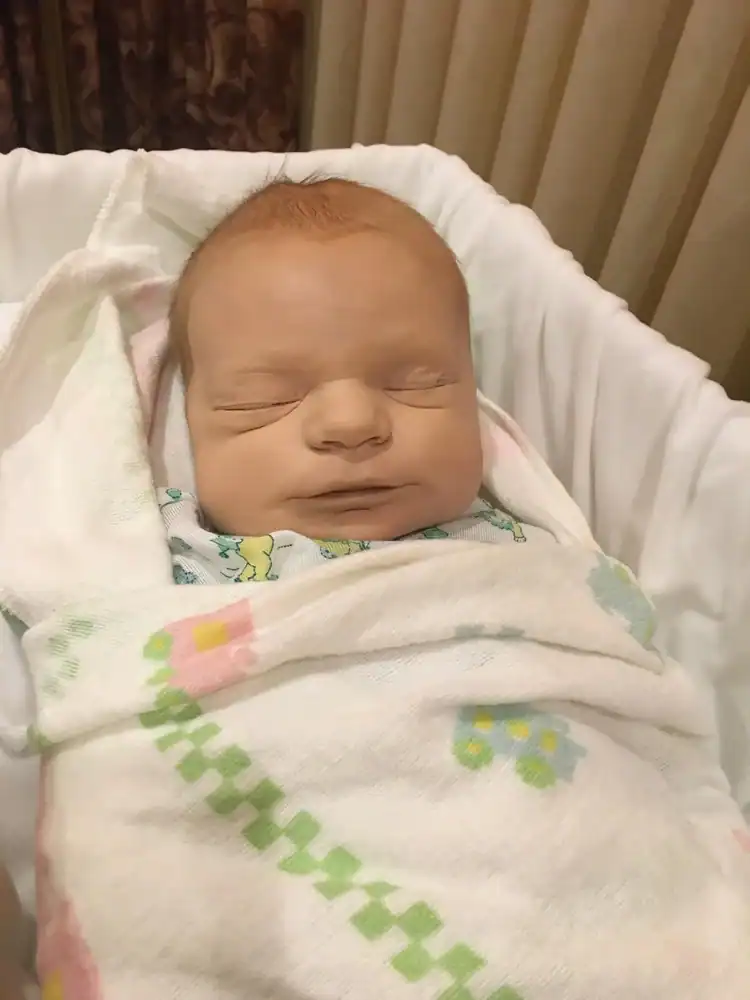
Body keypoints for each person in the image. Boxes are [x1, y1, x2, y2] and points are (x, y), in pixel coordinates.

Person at [161, 176, 554, 585]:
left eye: (416, 382)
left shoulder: (534, 562)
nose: (351, 424)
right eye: (264, 398)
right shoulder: (157, 560)